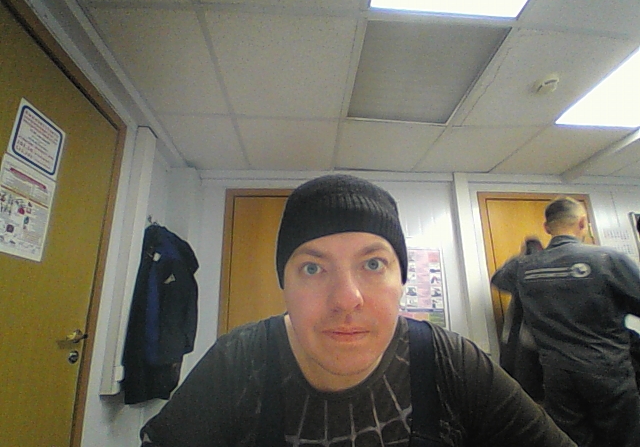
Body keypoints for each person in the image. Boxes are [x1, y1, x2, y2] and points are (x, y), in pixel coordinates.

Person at [140, 174, 575, 446]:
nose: (346, 298)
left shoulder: (452, 362)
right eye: (312, 268)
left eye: (372, 264)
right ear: (284, 285)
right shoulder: (238, 360)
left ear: (401, 279)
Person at [492, 196, 640, 447]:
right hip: (607, 370)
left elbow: (499, 279)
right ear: (582, 223)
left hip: (557, 376)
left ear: (547, 227)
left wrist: (526, 254)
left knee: (569, 440)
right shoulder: (606, 259)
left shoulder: (524, 266)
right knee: (623, 439)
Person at [498, 237, 545, 403]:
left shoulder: (524, 267)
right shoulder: (525, 269)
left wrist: (521, 258)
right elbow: (499, 281)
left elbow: (499, 279)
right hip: (530, 339)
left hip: (525, 340)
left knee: (521, 390)